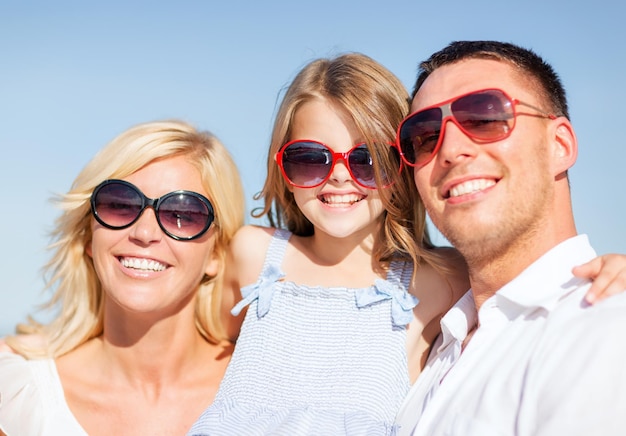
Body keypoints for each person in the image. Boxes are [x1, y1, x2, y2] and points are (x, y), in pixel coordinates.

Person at [188, 53, 626, 435]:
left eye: (369, 160)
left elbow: (526, 280)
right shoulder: (253, 255)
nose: (339, 176)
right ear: (280, 164)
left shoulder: (441, 279)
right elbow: (195, 349)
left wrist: (612, 267)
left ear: (403, 165)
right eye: (310, 159)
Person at [393, 40, 626, 435]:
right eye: (426, 135)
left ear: (560, 145)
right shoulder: (439, 343)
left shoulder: (605, 328)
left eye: (484, 116)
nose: (449, 150)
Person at [0, 120, 245, 435]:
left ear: (217, 253)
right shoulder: (18, 393)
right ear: (89, 235)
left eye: (182, 214)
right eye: (119, 204)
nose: (144, 233)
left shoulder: (271, 391)